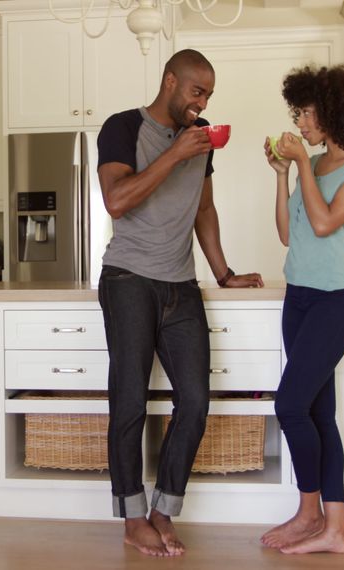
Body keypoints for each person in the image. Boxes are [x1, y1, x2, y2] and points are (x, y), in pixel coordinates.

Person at [96, 48, 264, 558]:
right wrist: (174, 153)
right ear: (170, 81)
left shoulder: (203, 137)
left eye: (208, 95)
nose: (202, 103)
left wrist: (225, 273)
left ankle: (162, 510)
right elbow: (117, 201)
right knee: (128, 400)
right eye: (197, 91)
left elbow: (204, 207)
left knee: (194, 400)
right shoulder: (122, 127)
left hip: (180, 284)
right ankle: (130, 518)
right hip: (128, 279)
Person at [261, 64, 344, 555]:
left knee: (289, 405)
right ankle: (333, 528)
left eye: (307, 112)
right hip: (300, 296)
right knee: (318, 411)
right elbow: (288, 233)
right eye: (298, 112)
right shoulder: (310, 165)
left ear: (333, 112)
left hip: (338, 299)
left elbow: (323, 223)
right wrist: (283, 173)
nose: (301, 121)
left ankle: (312, 512)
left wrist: (303, 167)